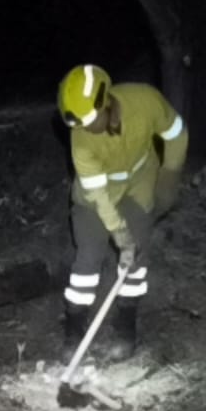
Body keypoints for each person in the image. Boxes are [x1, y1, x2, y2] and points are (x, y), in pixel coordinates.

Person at [56, 63, 188, 363]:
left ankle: (127, 324)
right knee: (89, 254)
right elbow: (99, 196)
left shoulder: (145, 101)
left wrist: (170, 172)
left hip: (139, 184)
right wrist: (118, 232)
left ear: (106, 101)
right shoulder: (81, 139)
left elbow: (177, 132)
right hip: (94, 197)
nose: (87, 129)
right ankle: (74, 329)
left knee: (136, 256)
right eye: (80, 125)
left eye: (92, 119)